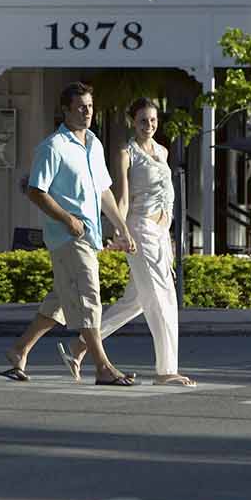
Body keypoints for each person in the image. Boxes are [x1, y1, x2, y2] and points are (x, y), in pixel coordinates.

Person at [0, 81, 137, 386]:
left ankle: (19, 350)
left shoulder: (94, 144)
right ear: (66, 110)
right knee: (88, 297)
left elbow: (104, 191)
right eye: (81, 107)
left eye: (90, 107)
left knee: (61, 299)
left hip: (90, 235)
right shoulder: (52, 147)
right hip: (68, 237)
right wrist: (68, 219)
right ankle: (102, 366)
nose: (87, 112)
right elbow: (35, 191)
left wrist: (123, 227)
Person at [63, 97, 195, 387]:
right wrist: (120, 231)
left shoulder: (162, 151)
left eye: (153, 121)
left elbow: (167, 197)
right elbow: (121, 197)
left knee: (135, 301)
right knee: (162, 300)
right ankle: (165, 371)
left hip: (161, 234)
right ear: (132, 122)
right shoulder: (127, 152)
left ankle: (80, 345)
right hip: (140, 229)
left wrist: (169, 241)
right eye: (143, 121)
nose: (149, 125)